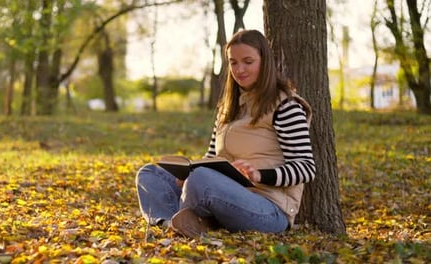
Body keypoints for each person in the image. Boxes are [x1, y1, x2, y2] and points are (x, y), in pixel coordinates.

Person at [135, 29, 316, 238]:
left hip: (268, 208)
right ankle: (172, 222)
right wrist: (186, 174)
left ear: (265, 61)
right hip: (222, 196)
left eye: (248, 61)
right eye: (233, 62)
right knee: (150, 173)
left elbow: (306, 168)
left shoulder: (285, 105)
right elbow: (211, 157)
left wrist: (259, 175)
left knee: (201, 177)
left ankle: (188, 220)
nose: (239, 69)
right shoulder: (227, 107)